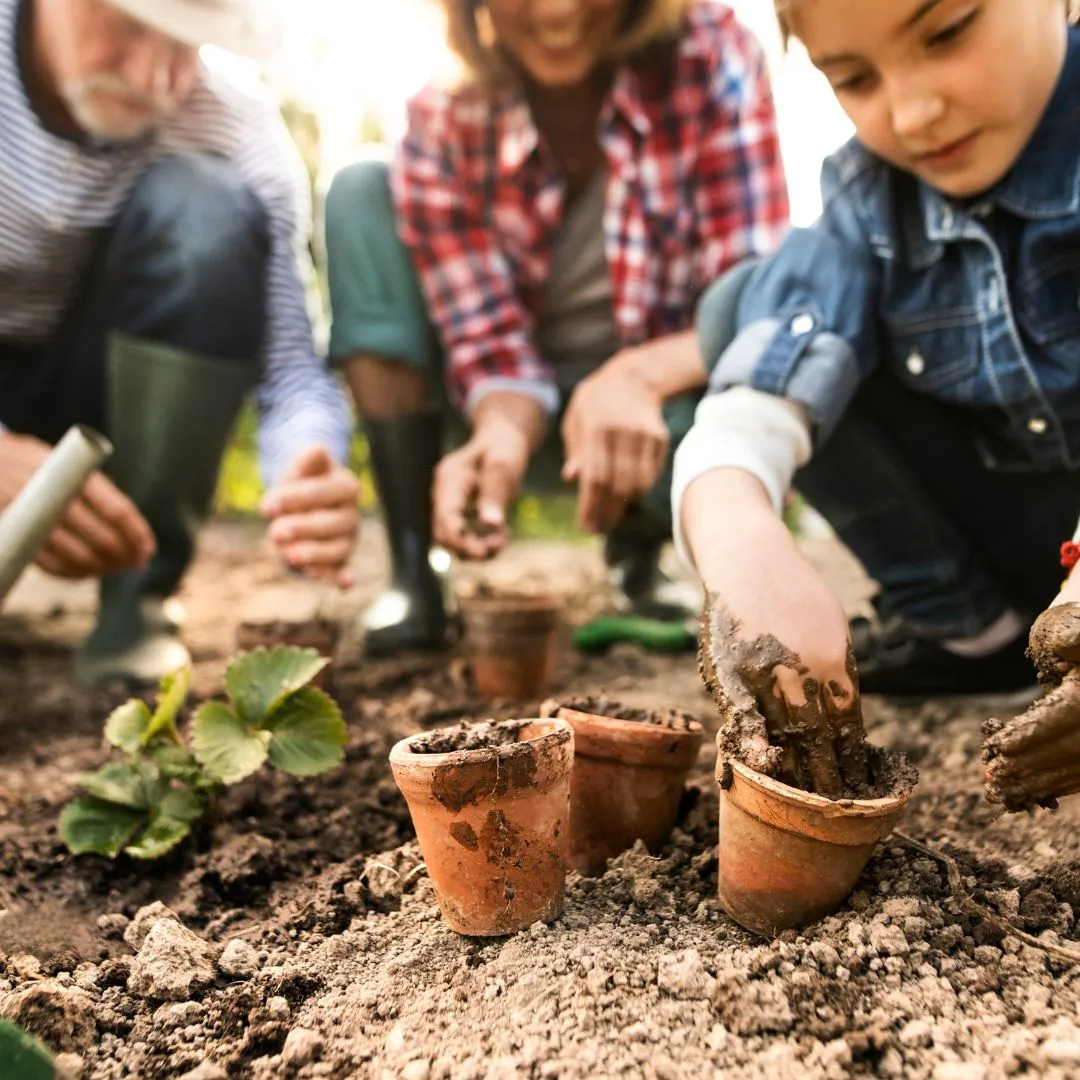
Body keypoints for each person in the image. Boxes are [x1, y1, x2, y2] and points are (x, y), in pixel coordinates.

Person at [673, 0, 1080, 778]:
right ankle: (971, 636)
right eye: (854, 78)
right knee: (743, 308)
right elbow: (756, 396)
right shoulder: (868, 194)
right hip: (1009, 532)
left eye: (950, 31)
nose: (914, 111)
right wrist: (742, 546)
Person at [324, 0, 789, 656]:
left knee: (770, 378)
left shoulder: (711, 52)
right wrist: (503, 430)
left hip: (664, 415)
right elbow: (487, 342)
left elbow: (752, 298)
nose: (559, 8)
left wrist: (635, 378)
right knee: (359, 190)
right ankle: (412, 561)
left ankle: (641, 549)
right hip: (515, 419)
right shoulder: (442, 115)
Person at [0, 0, 360, 688]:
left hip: (106, 396)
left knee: (206, 208)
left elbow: (292, 373)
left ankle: (138, 604)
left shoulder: (236, 130)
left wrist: (306, 465)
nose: (157, 76)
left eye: (191, 43)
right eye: (131, 24)